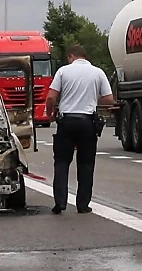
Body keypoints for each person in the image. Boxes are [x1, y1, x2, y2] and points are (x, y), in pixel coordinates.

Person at [45, 44, 115, 214]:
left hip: (67, 121)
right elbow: (109, 99)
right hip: (87, 122)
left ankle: (60, 202)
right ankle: (82, 205)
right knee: (86, 164)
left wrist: (50, 114)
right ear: (85, 56)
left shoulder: (63, 71)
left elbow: (51, 97)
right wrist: (93, 98)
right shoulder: (98, 72)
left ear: (71, 56)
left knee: (61, 163)